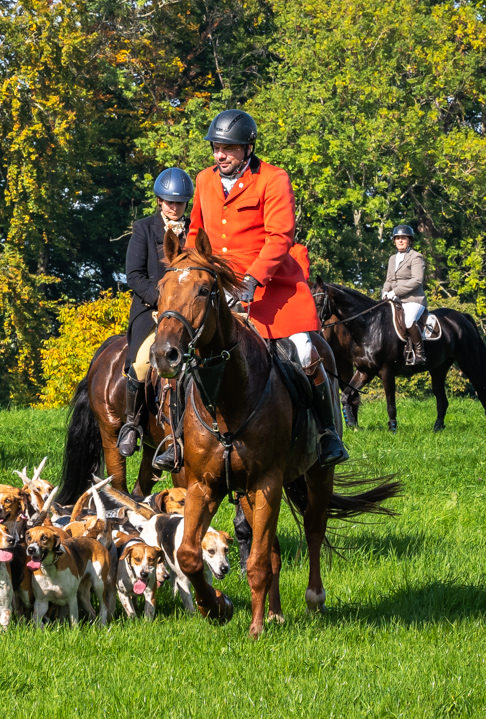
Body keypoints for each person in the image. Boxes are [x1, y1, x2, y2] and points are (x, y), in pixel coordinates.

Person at [172, 108, 348, 471]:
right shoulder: (204, 180)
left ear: (248, 148)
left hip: (272, 289)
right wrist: (191, 274)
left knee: (304, 350)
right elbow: (196, 233)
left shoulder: (273, 179)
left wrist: (252, 279)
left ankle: (326, 433)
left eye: (228, 148)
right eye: (216, 147)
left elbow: (280, 236)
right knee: (182, 347)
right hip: (217, 288)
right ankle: (175, 439)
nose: (220, 155)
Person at [119, 167, 192, 455]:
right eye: (169, 202)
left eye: (180, 203)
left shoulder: (196, 230)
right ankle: (131, 424)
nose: (175, 208)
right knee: (140, 363)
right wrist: (161, 301)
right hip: (151, 310)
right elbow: (134, 275)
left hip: (188, 315)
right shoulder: (144, 228)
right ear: (159, 201)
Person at [381, 225, 427, 365]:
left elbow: (417, 280)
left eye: (403, 238)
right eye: (397, 238)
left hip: (413, 299)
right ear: (394, 241)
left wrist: (395, 292)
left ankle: (420, 353)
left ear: (409, 240)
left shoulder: (416, 257)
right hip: (395, 299)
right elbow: (389, 280)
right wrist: (384, 292)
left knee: (408, 321)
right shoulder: (392, 259)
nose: (400, 241)